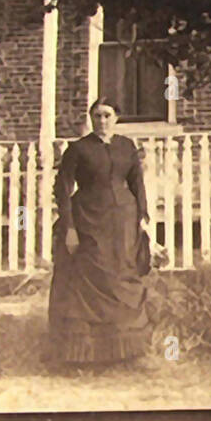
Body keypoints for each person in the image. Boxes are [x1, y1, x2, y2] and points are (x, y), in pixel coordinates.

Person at [48, 99, 152, 365]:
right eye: (97, 115)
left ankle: (127, 353)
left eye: (107, 115)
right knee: (93, 279)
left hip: (123, 224)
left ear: (117, 117)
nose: (102, 121)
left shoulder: (126, 146)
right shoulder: (78, 149)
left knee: (122, 277)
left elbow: (137, 183)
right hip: (89, 221)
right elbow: (63, 189)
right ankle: (86, 355)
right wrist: (70, 228)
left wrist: (142, 217)